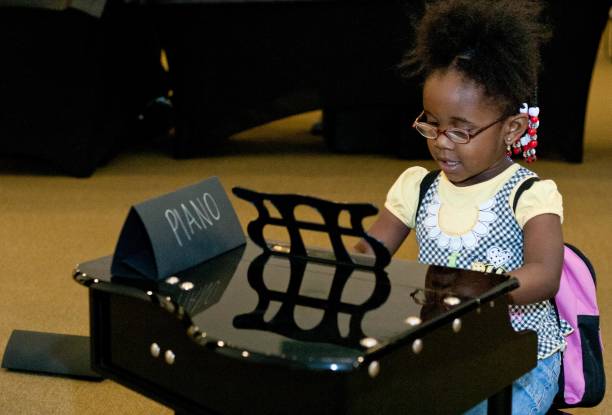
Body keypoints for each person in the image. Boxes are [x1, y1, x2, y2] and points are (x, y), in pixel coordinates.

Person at [355, 0, 572, 413]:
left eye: (461, 130)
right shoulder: (416, 187)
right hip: (446, 351)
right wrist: (351, 256)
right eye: (432, 123)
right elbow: (371, 249)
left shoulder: (529, 194)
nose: (441, 140)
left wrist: (473, 291)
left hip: (522, 356)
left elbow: (544, 276)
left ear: (512, 128)